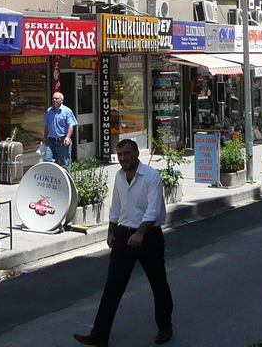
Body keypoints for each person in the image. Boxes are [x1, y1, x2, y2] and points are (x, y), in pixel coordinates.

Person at [74, 139, 173, 346]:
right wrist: (111, 232)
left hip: (149, 237)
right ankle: (99, 334)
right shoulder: (119, 177)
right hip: (124, 236)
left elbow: (153, 211)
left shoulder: (151, 177)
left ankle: (165, 327)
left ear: (136, 153)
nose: (123, 158)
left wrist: (140, 234)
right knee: (113, 286)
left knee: (158, 283)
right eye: (119, 155)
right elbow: (116, 207)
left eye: (127, 153)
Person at [44, 92, 78, 170]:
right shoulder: (49, 111)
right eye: (53, 98)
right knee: (47, 161)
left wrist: (68, 137)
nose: (54, 100)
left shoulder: (67, 111)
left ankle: (67, 181)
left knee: (65, 165)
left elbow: (71, 125)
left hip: (62, 142)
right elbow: (46, 125)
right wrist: (45, 137)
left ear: (61, 100)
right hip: (51, 141)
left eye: (56, 98)